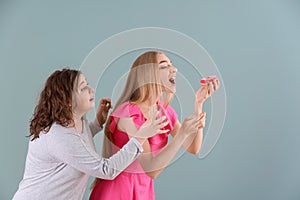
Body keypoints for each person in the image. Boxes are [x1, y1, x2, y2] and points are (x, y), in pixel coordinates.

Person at [12, 68, 169, 200]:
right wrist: (140, 137)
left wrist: (97, 123)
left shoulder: (76, 121)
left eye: (87, 84)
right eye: (83, 88)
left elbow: (78, 143)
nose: (91, 90)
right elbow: (106, 170)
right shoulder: (59, 136)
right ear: (68, 101)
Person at [90, 51, 219, 200]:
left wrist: (198, 105)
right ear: (148, 75)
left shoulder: (164, 111)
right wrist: (182, 133)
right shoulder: (128, 114)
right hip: (116, 193)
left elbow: (193, 148)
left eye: (171, 65)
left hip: (144, 192)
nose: (174, 69)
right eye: (164, 66)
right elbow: (151, 168)